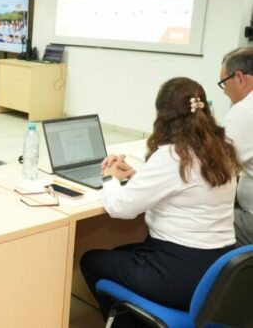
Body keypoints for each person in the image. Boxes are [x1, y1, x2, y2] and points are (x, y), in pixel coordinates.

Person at [80, 77, 240, 326]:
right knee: (121, 253)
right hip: (218, 272)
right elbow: (187, 189)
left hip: (179, 277)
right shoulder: (222, 149)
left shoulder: (173, 156)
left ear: (163, 116)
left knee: (91, 260)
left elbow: (120, 208)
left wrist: (109, 177)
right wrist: (136, 176)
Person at [220, 47, 253, 246]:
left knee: (199, 221)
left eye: (224, 83)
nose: (224, 91)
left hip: (250, 219)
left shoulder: (245, 110)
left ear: (239, 78)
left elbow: (211, 165)